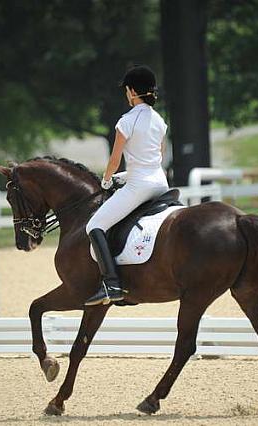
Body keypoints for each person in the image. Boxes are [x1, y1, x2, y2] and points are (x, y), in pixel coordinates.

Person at [84, 65, 169, 306]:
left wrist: (107, 179)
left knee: (94, 225)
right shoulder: (159, 120)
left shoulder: (127, 121)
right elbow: (155, 157)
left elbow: (114, 159)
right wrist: (125, 175)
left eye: (127, 90)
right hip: (160, 183)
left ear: (132, 91)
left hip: (139, 187)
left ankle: (111, 283)